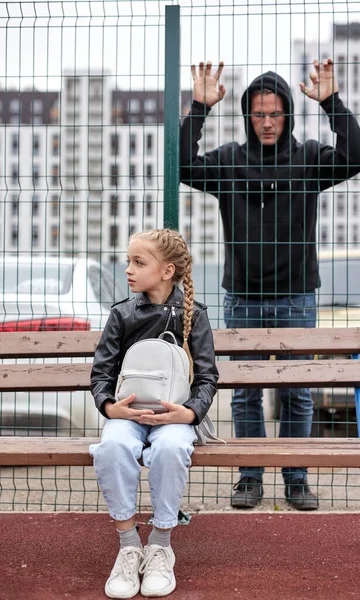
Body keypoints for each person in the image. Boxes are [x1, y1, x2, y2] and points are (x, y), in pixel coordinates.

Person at [180, 59, 360, 511]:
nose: (267, 122)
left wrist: (331, 103)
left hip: (296, 297)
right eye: (258, 114)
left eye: (275, 113)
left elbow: (359, 156)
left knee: (296, 390)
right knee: (246, 392)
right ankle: (249, 478)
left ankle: (296, 477)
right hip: (243, 298)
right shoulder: (228, 160)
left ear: (287, 114)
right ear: (248, 115)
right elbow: (182, 166)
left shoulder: (308, 158)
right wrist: (199, 108)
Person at [90, 228, 218, 599]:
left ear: (167, 271)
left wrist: (188, 414)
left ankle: (161, 546)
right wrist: (111, 408)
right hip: (127, 417)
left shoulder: (194, 315)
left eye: (138, 262)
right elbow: (102, 374)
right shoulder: (122, 314)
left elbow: (208, 377)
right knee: (112, 447)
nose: (128, 269)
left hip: (174, 417)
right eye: (128, 260)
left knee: (171, 449)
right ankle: (129, 546)